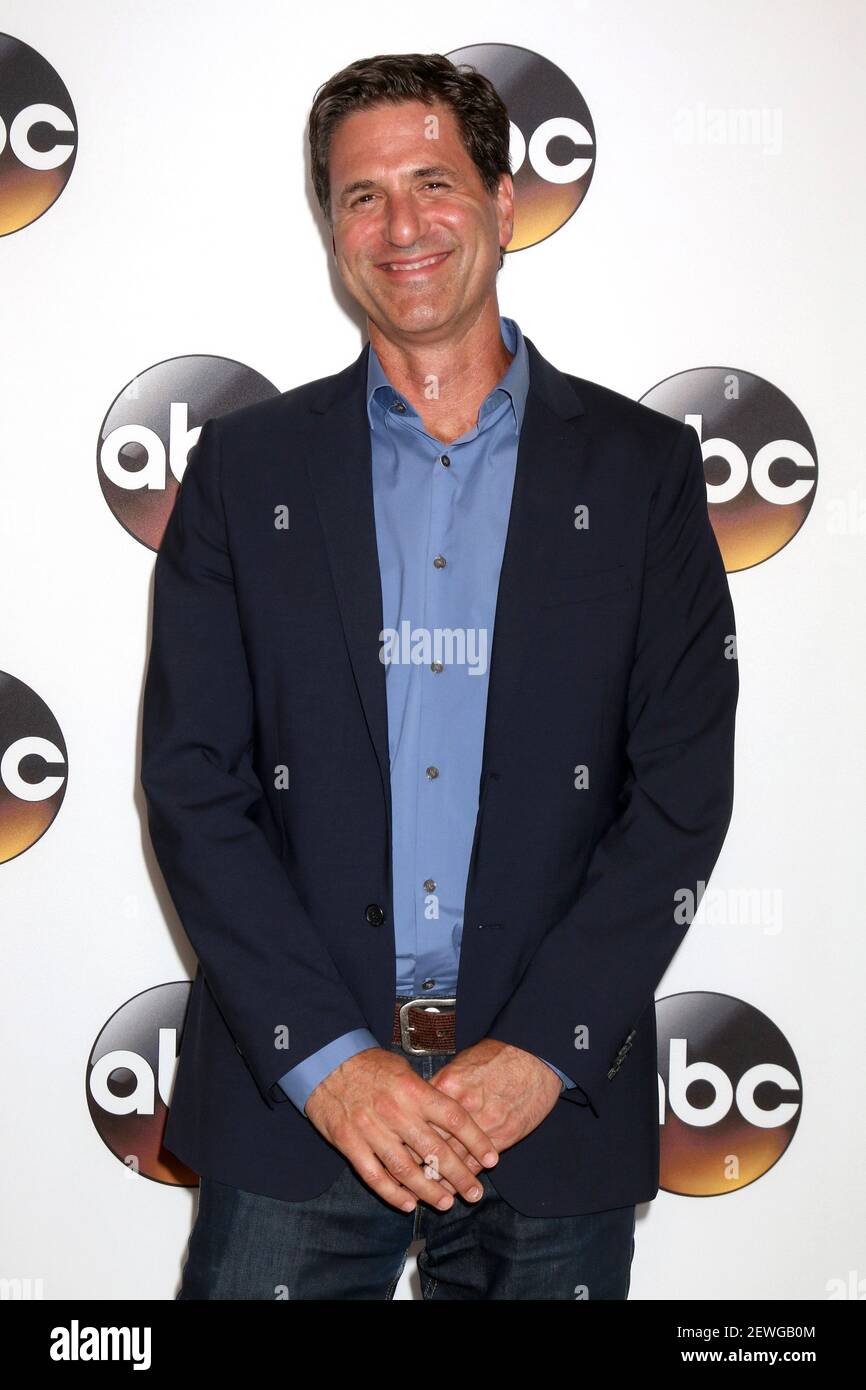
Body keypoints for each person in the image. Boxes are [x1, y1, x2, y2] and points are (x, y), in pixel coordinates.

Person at [140, 52, 738, 1300]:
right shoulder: (245, 475)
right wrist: (331, 1063)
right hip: (295, 1099)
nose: (400, 225)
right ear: (329, 230)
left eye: (432, 182)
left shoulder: (639, 474)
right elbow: (195, 787)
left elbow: (678, 794)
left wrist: (539, 1050)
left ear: (504, 206)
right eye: (360, 197)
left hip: (550, 1104)